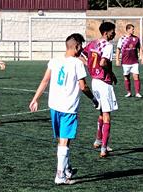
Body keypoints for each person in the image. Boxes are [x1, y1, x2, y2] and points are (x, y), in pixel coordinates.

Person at [29, 33, 98, 185]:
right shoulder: (77, 63)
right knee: (64, 142)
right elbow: (83, 86)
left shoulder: (54, 60)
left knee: (63, 140)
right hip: (68, 107)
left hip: (54, 106)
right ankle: (60, 176)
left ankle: (66, 169)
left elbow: (45, 80)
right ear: (77, 46)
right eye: (81, 47)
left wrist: (35, 99)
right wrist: (93, 98)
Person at [82, 22, 118, 158]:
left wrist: (90, 66)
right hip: (104, 81)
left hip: (95, 81)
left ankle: (98, 140)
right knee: (107, 116)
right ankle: (104, 148)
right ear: (106, 33)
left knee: (102, 113)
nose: (114, 33)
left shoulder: (93, 43)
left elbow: (81, 55)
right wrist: (112, 74)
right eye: (112, 31)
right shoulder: (108, 45)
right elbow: (103, 63)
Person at [116, 24, 143, 98]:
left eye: (133, 29)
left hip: (134, 61)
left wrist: (142, 58)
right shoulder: (122, 39)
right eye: (132, 29)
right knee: (126, 77)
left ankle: (137, 93)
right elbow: (118, 50)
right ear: (128, 29)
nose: (133, 30)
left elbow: (140, 49)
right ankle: (129, 92)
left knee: (136, 76)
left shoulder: (136, 39)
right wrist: (117, 60)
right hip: (125, 61)